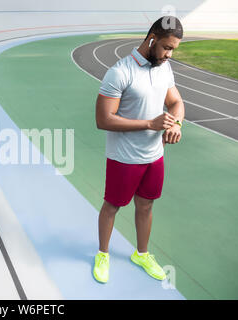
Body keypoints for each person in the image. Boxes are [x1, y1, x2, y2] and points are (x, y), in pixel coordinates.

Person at [93, 16, 185, 283]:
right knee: (112, 206)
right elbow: (103, 120)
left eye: (173, 50)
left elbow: (176, 101)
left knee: (146, 205)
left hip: (154, 156)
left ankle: (141, 254)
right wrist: (150, 123)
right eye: (166, 47)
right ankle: (103, 254)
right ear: (152, 39)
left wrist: (176, 124)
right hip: (124, 158)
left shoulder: (164, 69)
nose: (169, 54)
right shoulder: (120, 72)